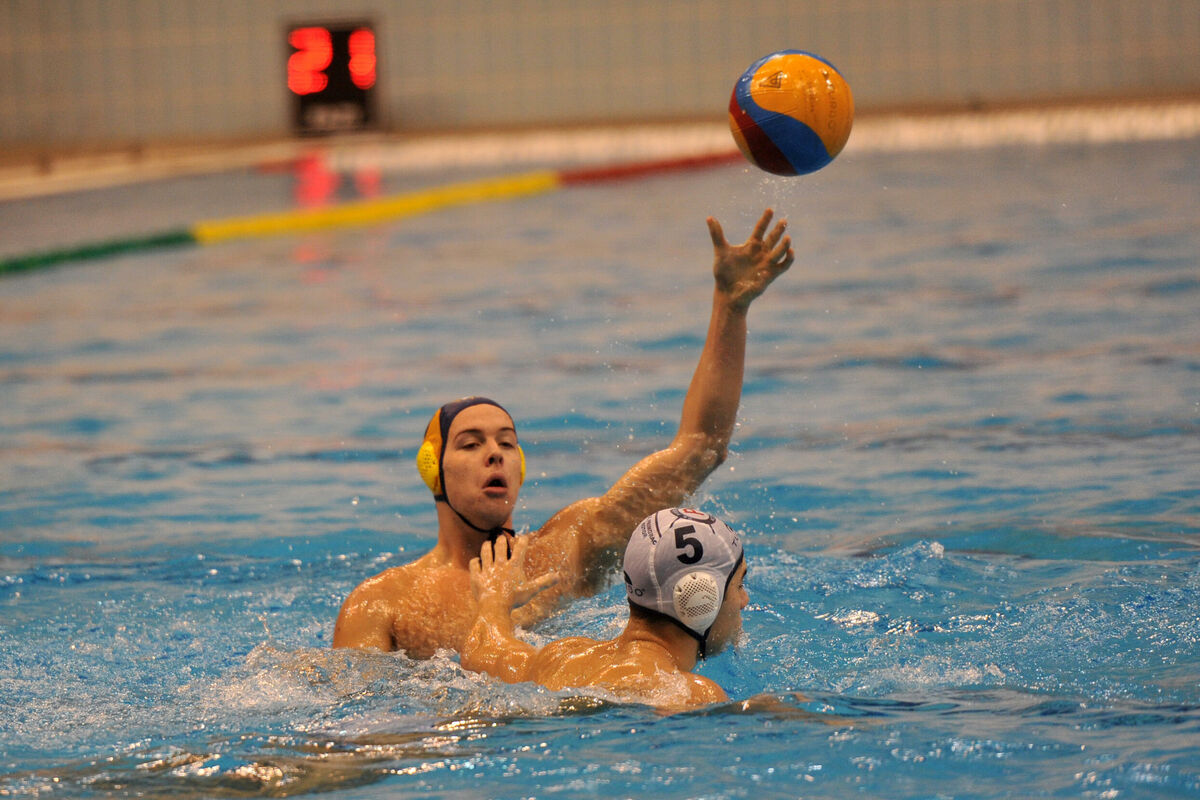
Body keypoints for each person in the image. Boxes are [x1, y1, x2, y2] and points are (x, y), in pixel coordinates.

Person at [333, 209, 792, 657]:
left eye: (507, 443)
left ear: (520, 465)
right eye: (471, 444)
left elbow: (700, 447)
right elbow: (355, 702)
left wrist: (730, 306)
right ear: (432, 468)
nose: (494, 454)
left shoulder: (568, 549)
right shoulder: (383, 603)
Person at [461, 508, 747, 711]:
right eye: (738, 585)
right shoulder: (692, 694)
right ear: (700, 598)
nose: (743, 600)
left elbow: (481, 653)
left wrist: (493, 600)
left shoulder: (562, 656)